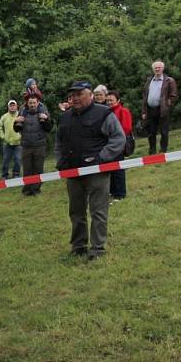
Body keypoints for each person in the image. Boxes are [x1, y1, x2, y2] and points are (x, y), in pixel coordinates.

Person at [54, 81, 125, 260]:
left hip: (97, 172)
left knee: (98, 211)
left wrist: (102, 157)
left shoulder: (103, 113)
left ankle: (97, 248)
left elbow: (118, 138)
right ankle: (78, 245)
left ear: (90, 95)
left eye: (79, 94)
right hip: (72, 171)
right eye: (73, 95)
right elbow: (59, 143)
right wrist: (61, 161)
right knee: (76, 212)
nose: (75, 98)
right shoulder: (65, 117)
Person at [14, 95, 52, 196]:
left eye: (34, 103)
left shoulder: (43, 112)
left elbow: (49, 128)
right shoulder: (22, 112)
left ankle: (36, 190)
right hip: (26, 146)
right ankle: (26, 191)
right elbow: (16, 129)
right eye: (30, 103)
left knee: (38, 168)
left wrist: (46, 119)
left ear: (37, 103)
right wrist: (16, 121)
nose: (32, 105)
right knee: (27, 169)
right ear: (27, 103)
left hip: (40, 145)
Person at [141, 61, 178, 154]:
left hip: (162, 110)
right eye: (155, 68)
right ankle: (152, 150)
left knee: (164, 132)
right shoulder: (149, 80)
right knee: (151, 132)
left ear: (163, 68)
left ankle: (163, 150)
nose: (157, 69)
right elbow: (145, 96)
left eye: (159, 67)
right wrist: (144, 112)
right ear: (153, 69)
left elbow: (173, 95)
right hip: (150, 109)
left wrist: (167, 106)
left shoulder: (169, 80)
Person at [105, 90, 133, 202]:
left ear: (118, 100)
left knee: (118, 170)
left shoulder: (123, 111)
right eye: (107, 101)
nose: (109, 103)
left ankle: (120, 193)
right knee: (110, 169)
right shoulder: (106, 112)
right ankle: (112, 191)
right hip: (109, 145)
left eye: (111, 100)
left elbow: (127, 128)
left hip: (119, 144)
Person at [0, 100, 22, 179]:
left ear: (16, 106)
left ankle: (16, 174)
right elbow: (0, 128)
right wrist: (3, 137)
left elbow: (24, 126)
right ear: (8, 107)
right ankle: (5, 175)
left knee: (17, 159)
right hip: (7, 143)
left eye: (13, 105)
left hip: (18, 143)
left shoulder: (20, 115)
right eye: (10, 105)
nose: (12, 107)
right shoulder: (4, 117)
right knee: (5, 160)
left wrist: (21, 136)